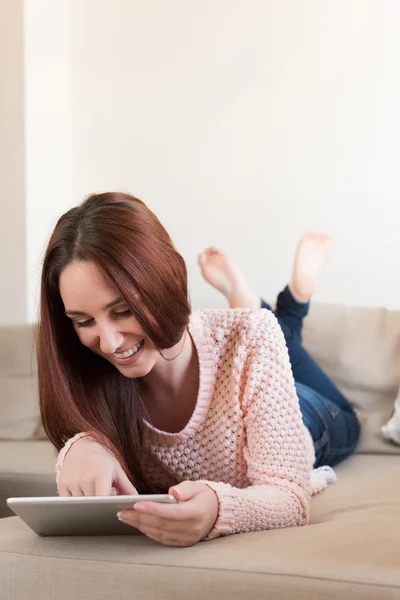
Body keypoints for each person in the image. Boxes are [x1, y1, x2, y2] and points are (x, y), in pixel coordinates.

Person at [37, 192, 358, 548]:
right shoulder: (86, 371)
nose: (109, 344)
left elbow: (288, 495)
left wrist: (220, 508)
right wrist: (80, 445)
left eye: (123, 310)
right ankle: (259, 304)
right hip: (246, 363)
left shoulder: (248, 338)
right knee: (263, 333)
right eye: (84, 321)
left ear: (168, 280)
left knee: (279, 347)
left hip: (308, 416)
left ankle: (287, 304)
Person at [197, 235, 360, 471]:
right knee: (282, 340)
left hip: (277, 407)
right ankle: (268, 309)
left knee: (282, 337)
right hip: (309, 413)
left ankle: (277, 308)